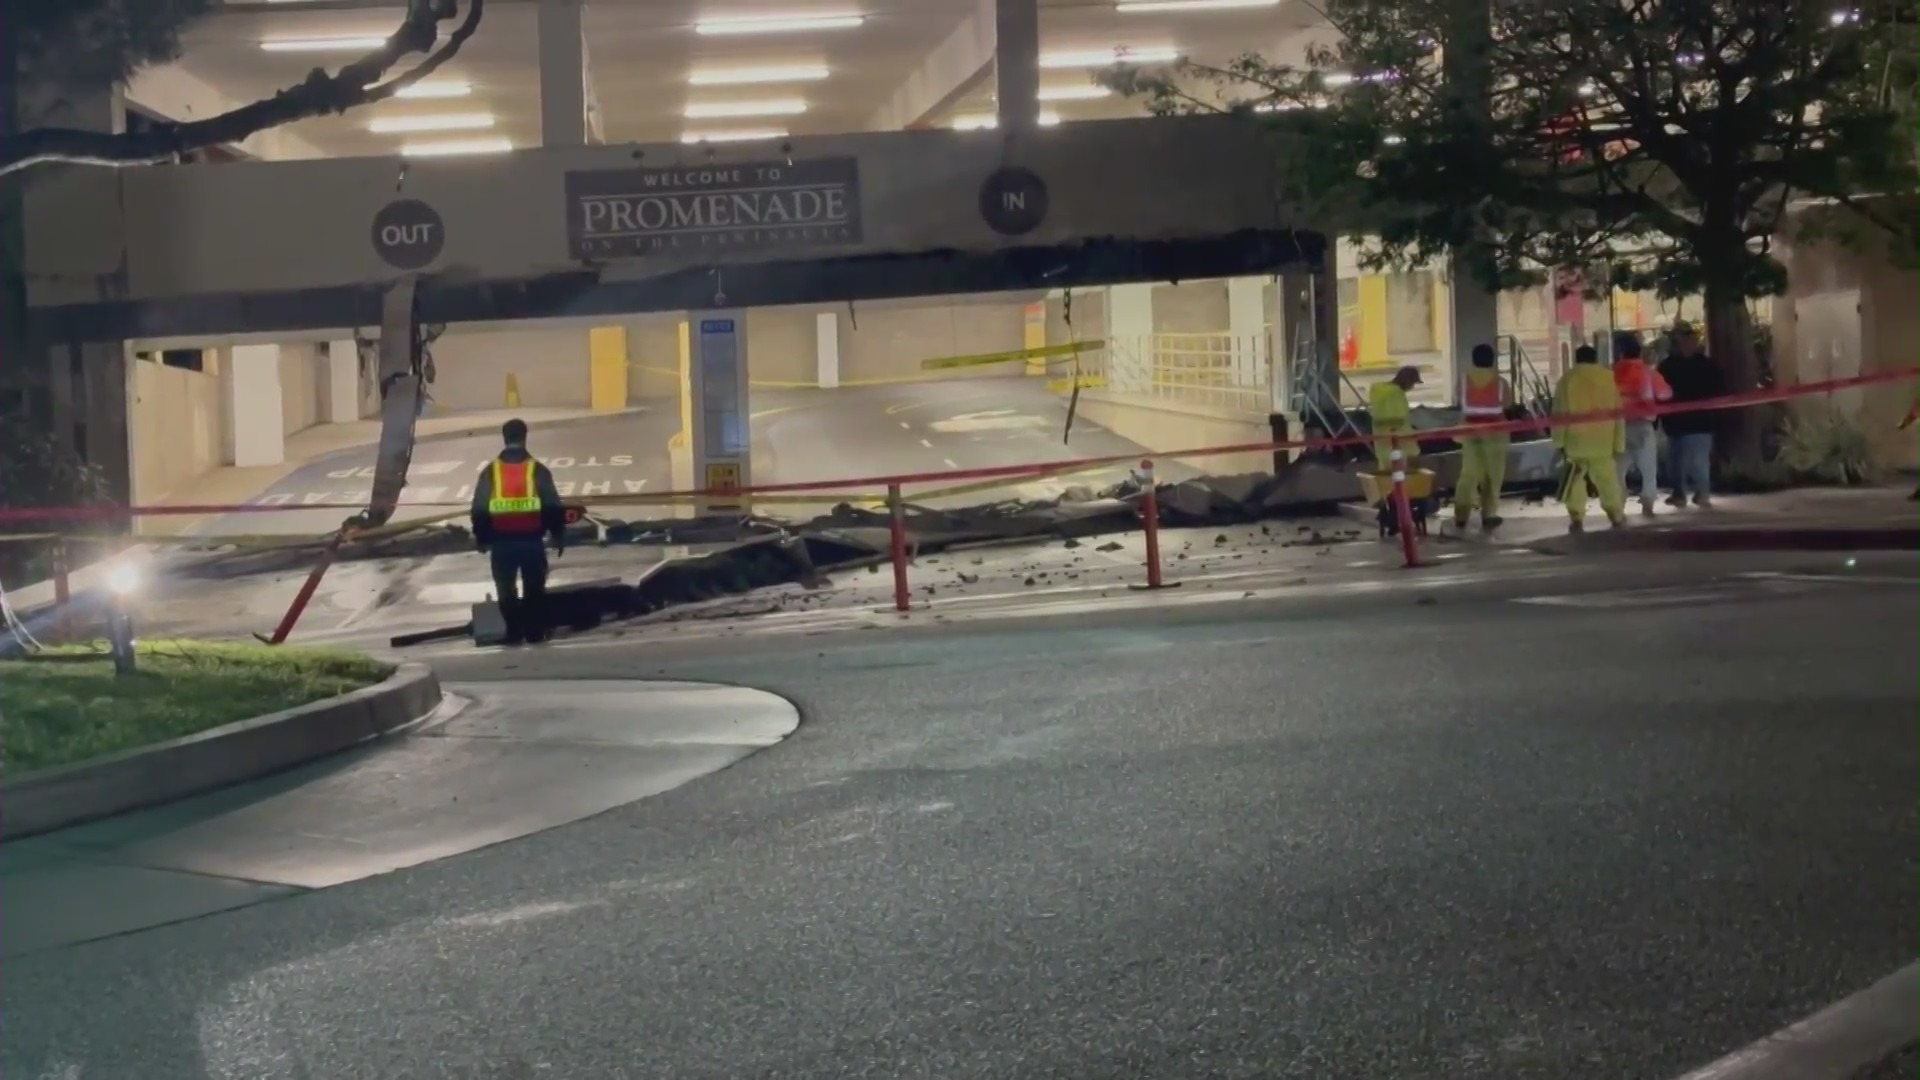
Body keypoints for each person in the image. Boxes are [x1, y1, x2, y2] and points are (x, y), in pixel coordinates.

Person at [470, 418, 567, 645]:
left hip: (502, 543)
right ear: (525, 437)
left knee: (505, 589)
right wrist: (558, 534)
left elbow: (479, 507)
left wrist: (481, 537)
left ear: (504, 438)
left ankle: (514, 632)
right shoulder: (537, 470)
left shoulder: (491, 471)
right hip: (532, 541)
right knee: (534, 588)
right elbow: (552, 505)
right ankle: (534, 633)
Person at [1552, 345, 1627, 532]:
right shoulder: (1608, 378)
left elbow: (1559, 413)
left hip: (1575, 441)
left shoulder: (1566, 380)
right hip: (1602, 440)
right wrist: (1619, 443)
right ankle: (1616, 515)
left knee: (1575, 482)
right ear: (1595, 359)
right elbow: (1618, 412)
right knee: (1608, 481)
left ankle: (1576, 517)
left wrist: (1558, 442)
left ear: (1576, 360)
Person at [1657, 322, 1725, 508]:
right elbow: (1719, 390)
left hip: (1685, 422)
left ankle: (1690, 494)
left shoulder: (1668, 366)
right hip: (1694, 422)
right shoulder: (1706, 365)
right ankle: (1694, 494)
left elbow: (1660, 393)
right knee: (1688, 461)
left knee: (1687, 461)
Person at [1611, 333, 1672, 517]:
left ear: (1620, 353)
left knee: (1618, 471)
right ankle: (1647, 505)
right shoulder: (1648, 373)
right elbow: (1665, 394)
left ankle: (1617, 506)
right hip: (1644, 427)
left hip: (1618, 428)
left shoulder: (1610, 373)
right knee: (1648, 470)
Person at [1453, 343, 1513, 530]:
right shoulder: (1500, 383)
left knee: (1468, 474)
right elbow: (1508, 405)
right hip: (1495, 433)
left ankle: (1461, 515)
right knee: (1492, 476)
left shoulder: (1462, 381)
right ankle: (1489, 514)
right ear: (1492, 360)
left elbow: (1458, 401)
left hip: (1470, 430)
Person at [1368, 364, 1425, 472]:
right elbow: (1400, 423)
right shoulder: (1396, 395)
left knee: (1388, 480)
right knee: (1405, 480)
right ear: (1407, 380)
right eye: (1412, 383)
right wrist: (1413, 448)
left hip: (1381, 445)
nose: (1412, 387)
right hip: (1399, 446)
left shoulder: (1377, 392)